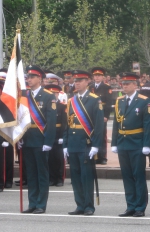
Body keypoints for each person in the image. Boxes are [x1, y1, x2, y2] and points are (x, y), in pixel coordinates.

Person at [111, 72, 150, 217]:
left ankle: (140, 206)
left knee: (138, 175)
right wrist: (114, 142)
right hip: (123, 143)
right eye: (123, 84)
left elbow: (148, 125)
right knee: (127, 176)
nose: (125, 86)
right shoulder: (120, 101)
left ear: (135, 85)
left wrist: (147, 144)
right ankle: (131, 205)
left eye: (128, 84)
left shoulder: (143, 100)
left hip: (137, 143)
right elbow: (117, 122)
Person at [63, 70, 104, 216]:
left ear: (88, 82)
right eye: (76, 80)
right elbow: (67, 125)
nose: (77, 83)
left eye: (80, 80)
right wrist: (65, 145)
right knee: (75, 177)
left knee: (86, 177)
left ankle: (88, 206)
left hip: (86, 143)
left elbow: (99, 126)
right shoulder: (71, 100)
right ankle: (79, 205)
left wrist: (95, 145)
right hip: (73, 143)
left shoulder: (94, 100)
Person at [21, 65, 56, 214]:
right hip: (27, 139)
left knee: (42, 173)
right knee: (31, 174)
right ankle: (32, 203)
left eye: (32, 77)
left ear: (39, 79)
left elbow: (51, 121)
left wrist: (48, 141)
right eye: (28, 77)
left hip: (41, 140)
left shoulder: (48, 96)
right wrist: (20, 136)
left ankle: (41, 204)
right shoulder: (24, 96)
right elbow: (21, 118)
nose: (29, 79)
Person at [44, 84, 67, 187]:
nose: (54, 95)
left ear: (59, 94)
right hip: (49, 134)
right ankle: (51, 178)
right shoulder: (46, 105)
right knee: (50, 158)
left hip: (58, 134)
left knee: (59, 158)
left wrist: (62, 136)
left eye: (55, 93)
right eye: (51, 93)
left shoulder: (62, 106)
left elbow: (64, 122)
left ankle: (59, 178)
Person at [90, 67, 113, 165]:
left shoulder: (106, 87)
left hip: (102, 114)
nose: (97, 77)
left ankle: (102, 157)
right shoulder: (90, 87)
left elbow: (109, 103)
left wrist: (106, 116)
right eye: (95, 75)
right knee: (92, 135)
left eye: (99, 75)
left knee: (102, 135)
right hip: (91, 114)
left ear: (103, 77)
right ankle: (94, 156)